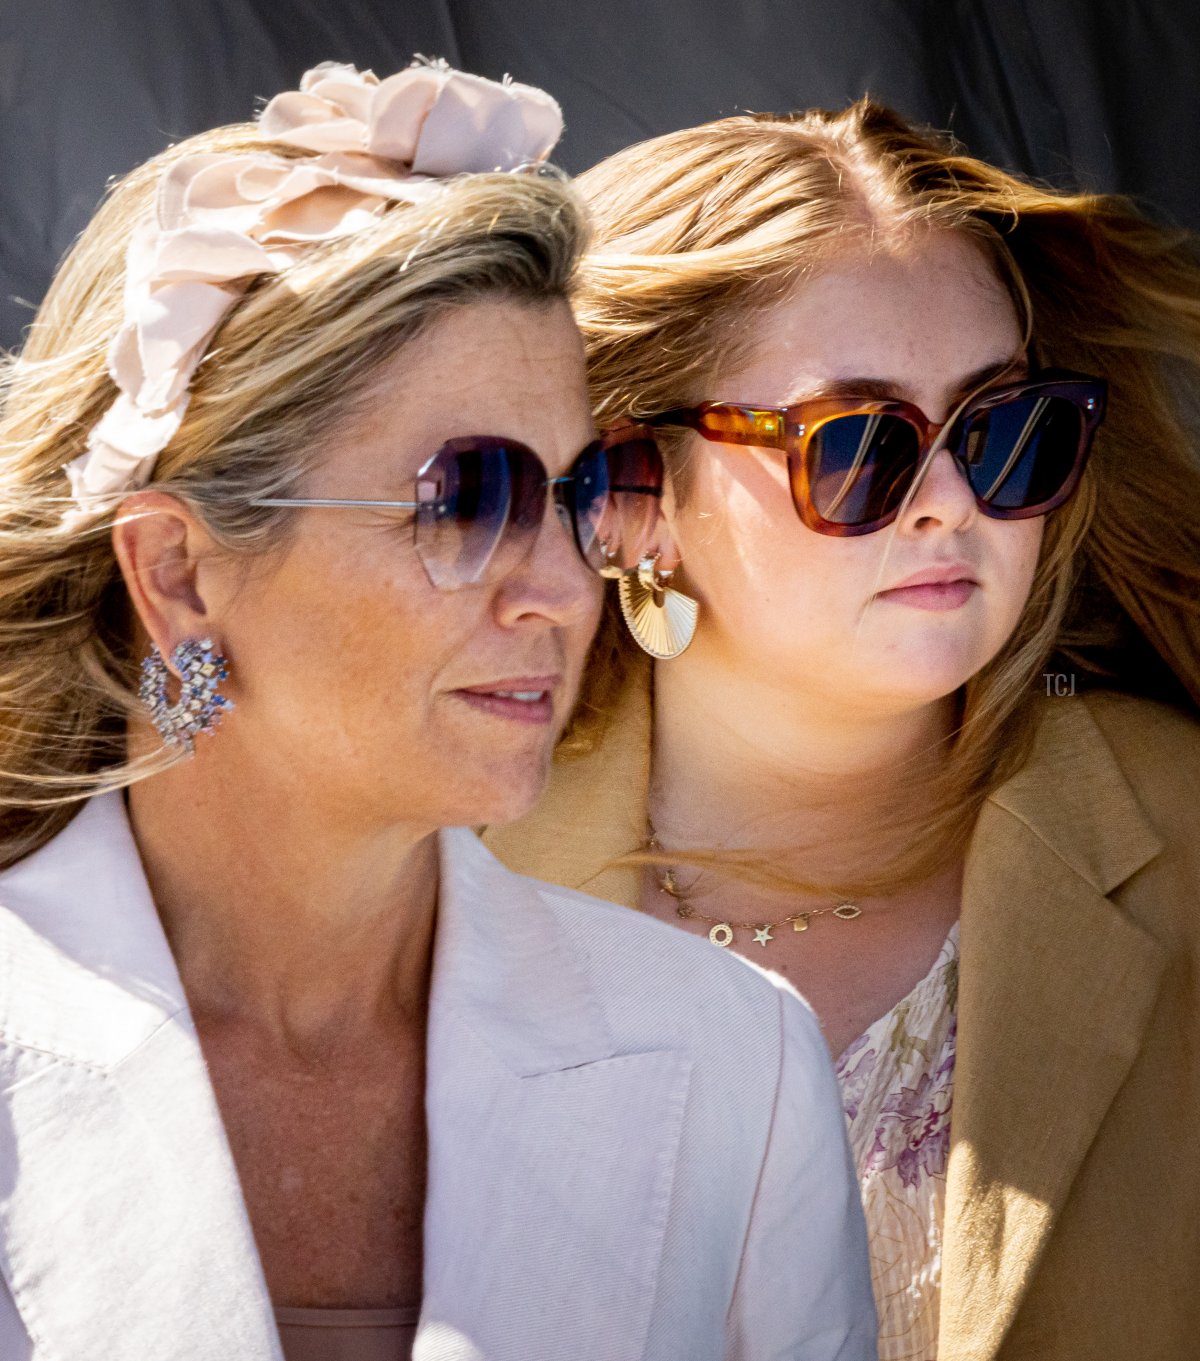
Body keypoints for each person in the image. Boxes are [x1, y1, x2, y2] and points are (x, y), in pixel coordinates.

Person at [0, 63, 877, 1361]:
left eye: (580, 496)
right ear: (176, 570)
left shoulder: (735, 1067)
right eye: (468, 498)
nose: (560, 590)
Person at [485, 100, 1200, 1361]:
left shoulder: (1180, 831)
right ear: (634, 499)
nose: (949, 502)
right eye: (859, 446)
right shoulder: (443, 873)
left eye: (1003, 430)